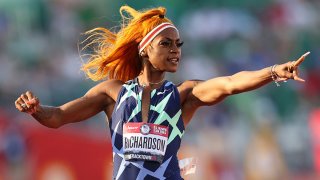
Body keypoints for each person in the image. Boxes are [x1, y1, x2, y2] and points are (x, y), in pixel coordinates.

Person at [14, 5, 309, 180]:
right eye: (166, 44)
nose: (175, 51)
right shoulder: (112, 93)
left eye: (179, 45)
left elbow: (230, 83)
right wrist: (36, 110)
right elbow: (58, 118)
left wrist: (272, 72)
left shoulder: (184, 94)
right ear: (144, 48)